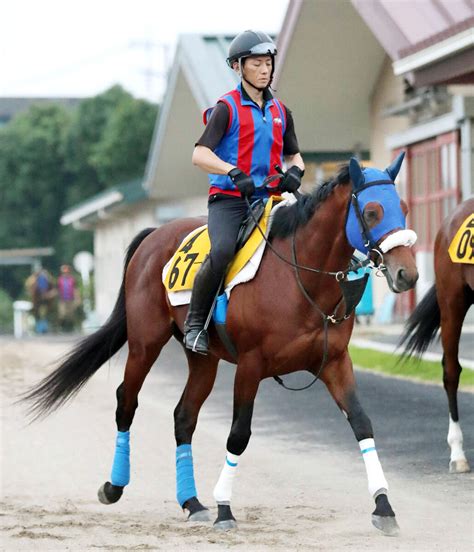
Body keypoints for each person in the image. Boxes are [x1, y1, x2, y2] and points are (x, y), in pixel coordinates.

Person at [184, 29, 305, 354]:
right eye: (257, 63)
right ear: (238, 67)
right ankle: (195, 324)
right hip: (229, 201)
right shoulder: (226, 108)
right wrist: (232, 171)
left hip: (269, 199)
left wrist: (295, 171)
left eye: (268, 63)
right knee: (222, 251)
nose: (265, 69)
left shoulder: (281, 111)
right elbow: (199, 154)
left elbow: (294, 154)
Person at [57, 264, 79, 331]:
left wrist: (77, 298)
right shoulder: (60, 280)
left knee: (70, 315)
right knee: (62, 314)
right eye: (64, 272)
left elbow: (75, 289)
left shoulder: (72, 279)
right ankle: (61, 327)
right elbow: (57, 289)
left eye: (66, 272)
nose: (65, 274)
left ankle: (71, 328)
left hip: (70, 299)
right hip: (62, 300)